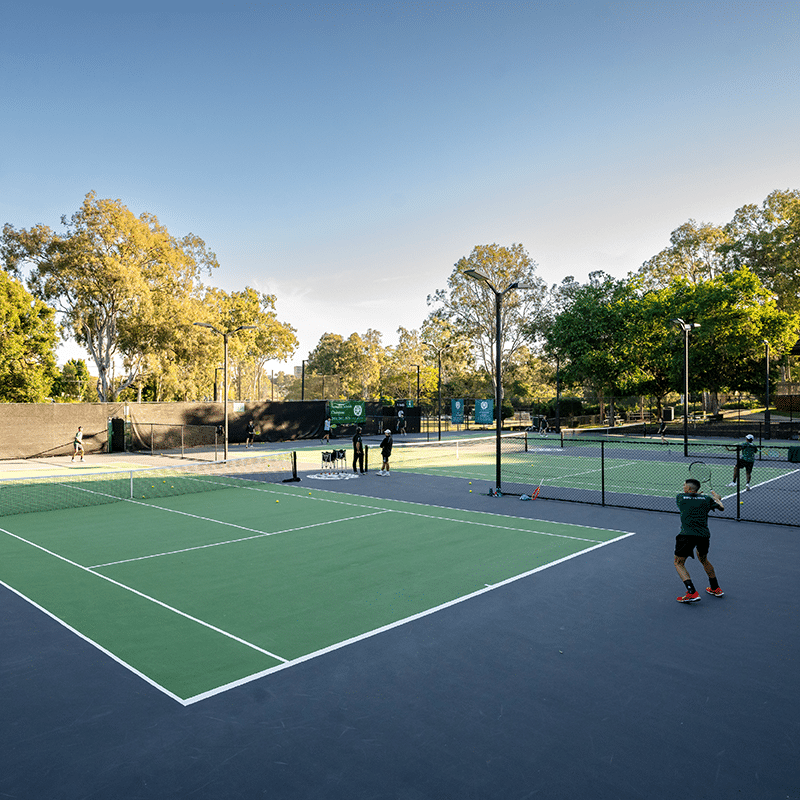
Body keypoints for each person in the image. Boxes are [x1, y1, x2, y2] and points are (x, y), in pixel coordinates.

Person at [674, 477, 725, 603]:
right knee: (703, 559)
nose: (683, 487)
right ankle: (715, 588)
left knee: (678, 563)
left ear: (689, 489)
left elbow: (691, 498)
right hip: (703, 535)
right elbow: (721, 507)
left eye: (684, 485)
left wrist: (697, 496)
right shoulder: (707, 499)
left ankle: (691, 592)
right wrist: (717, 498)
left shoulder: (680, 498)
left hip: (687, 535)